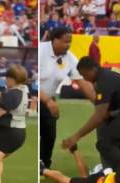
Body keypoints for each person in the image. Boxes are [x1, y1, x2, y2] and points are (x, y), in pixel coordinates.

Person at [40, 27, 95, 169]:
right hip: (35, 96)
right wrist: (46, 100)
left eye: (70, 42)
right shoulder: (40, 51)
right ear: (55, 40)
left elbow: (83, 83)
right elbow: (30, 81)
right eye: (65, 42)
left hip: (50, 100)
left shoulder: (70, 59)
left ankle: (44, 166)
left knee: (50, 135)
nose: (68, 45)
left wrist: (99, 102)